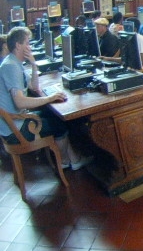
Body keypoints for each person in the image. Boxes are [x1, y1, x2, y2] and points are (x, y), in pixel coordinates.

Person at [0, 26, 91, 170]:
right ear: (18, 45)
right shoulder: (11, 66)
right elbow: (20, 101)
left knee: (51, 114)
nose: (29, 47)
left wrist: (34, 65)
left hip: (15, 122)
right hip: (15, 130)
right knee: (59, 123)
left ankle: (72, 158)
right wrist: (50, 98)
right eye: (27, 43)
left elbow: (33, 87)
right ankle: (66, 161)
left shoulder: (14, 62)